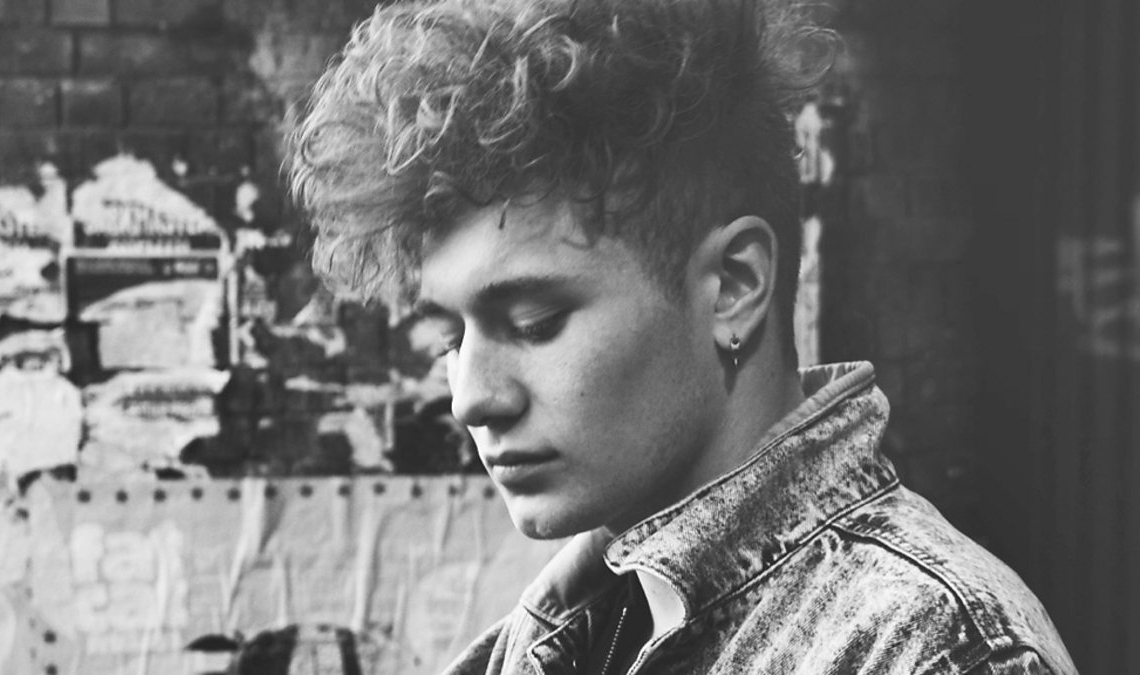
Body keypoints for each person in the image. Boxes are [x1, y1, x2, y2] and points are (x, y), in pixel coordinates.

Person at [288, 0, 1077, 672]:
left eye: (534, 323)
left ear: (734, 286)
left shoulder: (932, 648)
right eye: (449, 338)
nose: (470, 397)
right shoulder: (555, 638)